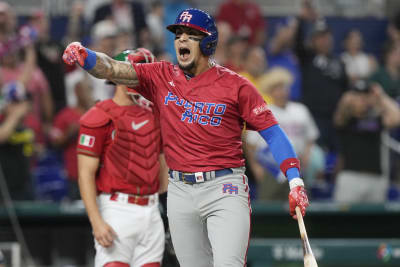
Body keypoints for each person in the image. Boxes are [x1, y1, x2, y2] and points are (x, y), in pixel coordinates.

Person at [63, 8, 309, 267]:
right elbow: (113, 69)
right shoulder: (161, 76)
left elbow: (272, 132)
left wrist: (295, 181)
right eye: (178, 33)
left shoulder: (236, 85)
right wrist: (85, 56)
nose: (181, 39)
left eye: (191, 34)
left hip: (224, 187)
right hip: (180, 190)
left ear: (208, 41)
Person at [77, 48, 167, 267]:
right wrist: (96, 221)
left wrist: (167, 213)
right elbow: (85, 174)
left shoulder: (158, 114)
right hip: (117, 207)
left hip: (152, 208)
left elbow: (162, 166)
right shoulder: (100, 115)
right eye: (133, 71)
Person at [333, 80, 400, 203]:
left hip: (376, 179)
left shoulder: (375, 120)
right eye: (359, 96)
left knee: (374, 221)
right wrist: (350, 98)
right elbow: (340, 114)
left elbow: (396, 117)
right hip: (351, 177)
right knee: (344, 221)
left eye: (365, 96)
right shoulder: (346, 121)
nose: (363, 99)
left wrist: (381, 96)